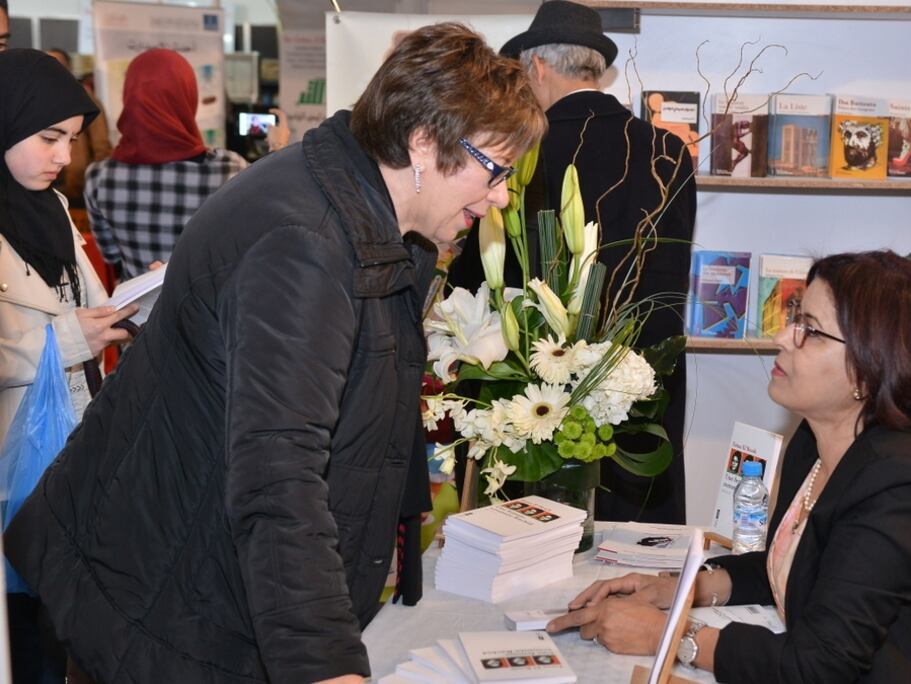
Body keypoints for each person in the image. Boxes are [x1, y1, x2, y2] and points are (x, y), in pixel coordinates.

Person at [6, 23, 545, 684]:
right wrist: (324, 664)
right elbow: (277, 473)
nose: (500, 195)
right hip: (159, 596)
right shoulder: (305, 243)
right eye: (495, 170)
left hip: (194, 580)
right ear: (424, 143)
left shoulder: (358, 208)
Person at [547, 251, 911, 683]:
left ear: (868, 368)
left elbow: (818, 666)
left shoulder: (901, 482)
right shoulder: (814, 441)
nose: (783, 337)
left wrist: (669, 634)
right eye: (795, 318)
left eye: (810, 330)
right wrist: (680, 591)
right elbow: (794, 568)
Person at [448, 0, 697, 524]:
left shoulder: (519, 151)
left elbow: (475, 282)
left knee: (528, 538)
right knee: (630, 545)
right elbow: (669, 282)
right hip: (638, 391)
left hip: (529, 394)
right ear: (593, 69)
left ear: (537, 66)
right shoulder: (667, 153)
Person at [0, 48, 137, 684]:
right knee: (22, 624)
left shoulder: (53, 207)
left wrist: (138, 301)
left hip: (74, 437)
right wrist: (64, 340)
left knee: (62, 613)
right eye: (48, 137)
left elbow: (85, 299)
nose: (62, 156)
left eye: (72, 141)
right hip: (14, 452)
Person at [83, 48, 253, 279]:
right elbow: (244, 249)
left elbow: (111, 255)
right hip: (208, 301)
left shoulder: (99, 177)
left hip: (137, 302)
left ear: (128, 96)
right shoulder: (230, 170)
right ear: (188, 97)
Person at [44, 48, 112, 208]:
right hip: (45, 184)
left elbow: (101, 146)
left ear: (69, 69)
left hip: (76, 187)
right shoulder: (34, 99)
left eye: (57, 65)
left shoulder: (85, 100)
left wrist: (92, 182)